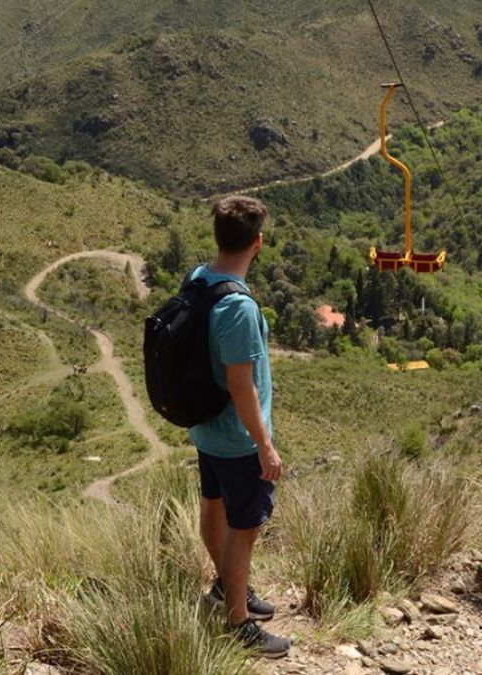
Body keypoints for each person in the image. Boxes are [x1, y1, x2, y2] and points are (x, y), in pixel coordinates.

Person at [189, 195, 290, 659]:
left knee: (213, 506)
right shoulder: (239, 307)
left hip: (206, 427)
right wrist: (264, 445)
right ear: (258, 243)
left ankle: (227, 586)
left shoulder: (199, 279)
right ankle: (237, 623)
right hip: (237, 438)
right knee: (244, 528)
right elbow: (240, 384)